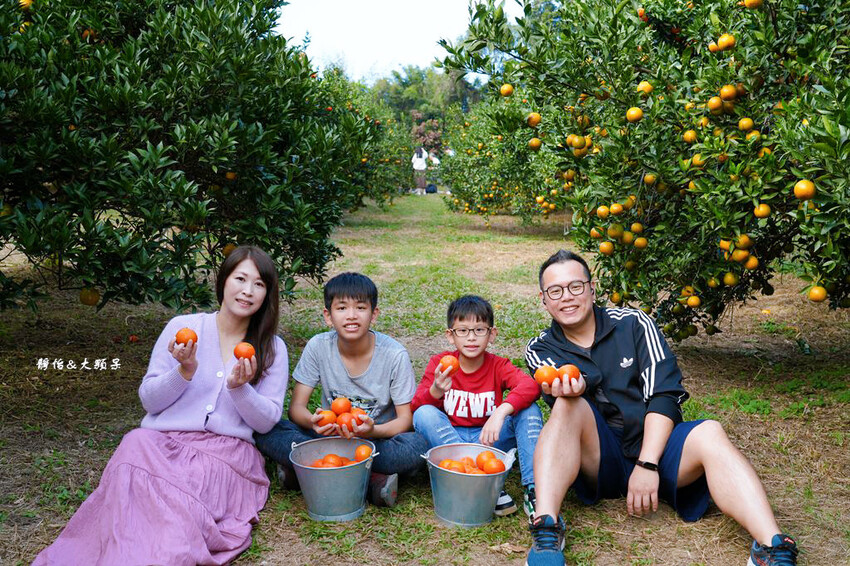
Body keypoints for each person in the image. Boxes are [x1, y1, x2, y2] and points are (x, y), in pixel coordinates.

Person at [523, 250, 798, 566]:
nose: (567, 298)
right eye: (555, 291)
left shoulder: (634, 324)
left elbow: (664, 394)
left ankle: (771, 546)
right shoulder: (540, 347)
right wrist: (577, 385)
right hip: (600, 460)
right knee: (566, 406)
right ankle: (547, 527)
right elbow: (566, 383)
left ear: (592, 288)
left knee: (710, 431)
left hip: (659, 451)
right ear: (544, 299)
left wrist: (648, 464)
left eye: (575, 286)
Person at [34, 245, 289, 566]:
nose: (247, 291)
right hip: (162, 444)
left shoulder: (272, 349)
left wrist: (240, 390)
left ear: (267, 294)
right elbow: (150, 400)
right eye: (240, 279)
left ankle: (159, 553)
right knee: (134, 445)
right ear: (223, 281)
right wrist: (183, 371)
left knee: (175, 513)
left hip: (223, 455)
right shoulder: (184, 328)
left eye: (259, 284)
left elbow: (266, 421)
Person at [255, 272, 428, 507]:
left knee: (417, 446)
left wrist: (372, 431)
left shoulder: (394, 355)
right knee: (268, 429)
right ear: (328, 316)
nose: (351, 316)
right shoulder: (318, 346)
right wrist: (314, 422)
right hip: (328, 436)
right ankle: (371, 480)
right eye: (342, 308)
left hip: (374, 444)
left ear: (374, 314)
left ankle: (311, 469)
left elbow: (405, 420)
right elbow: (296, 409)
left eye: (360, 307)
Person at [412, 295, 543, 517]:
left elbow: (531, 385)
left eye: (479, 330)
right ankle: (478, 478)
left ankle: (534, 490)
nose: (471, 338)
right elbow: (416, 408)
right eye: (462, 330)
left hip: (488, 440)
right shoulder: (440, 364)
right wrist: (436, 390)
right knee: (425, 414)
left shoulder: (498, 365)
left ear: (492, 334)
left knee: (529, 410)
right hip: (449, 439)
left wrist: (501, 411)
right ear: (450, 336)